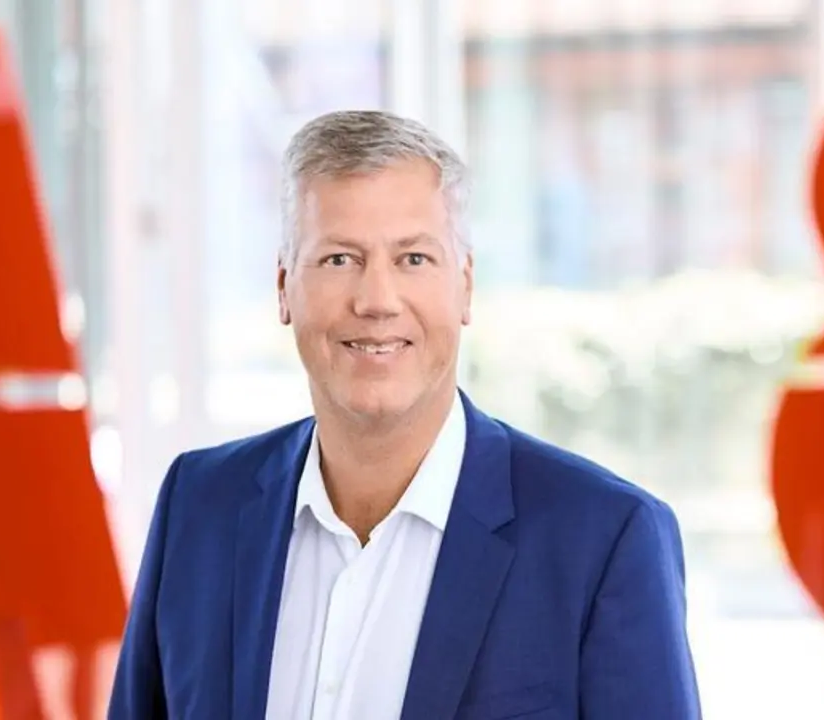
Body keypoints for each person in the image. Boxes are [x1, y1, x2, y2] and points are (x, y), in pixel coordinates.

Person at [108, 110, 701, 719]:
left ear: (465, 285)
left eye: (413, 259)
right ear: (283, 287)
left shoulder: (605, 539)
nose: (377, 301)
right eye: (339, 259)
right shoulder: (198, 507)